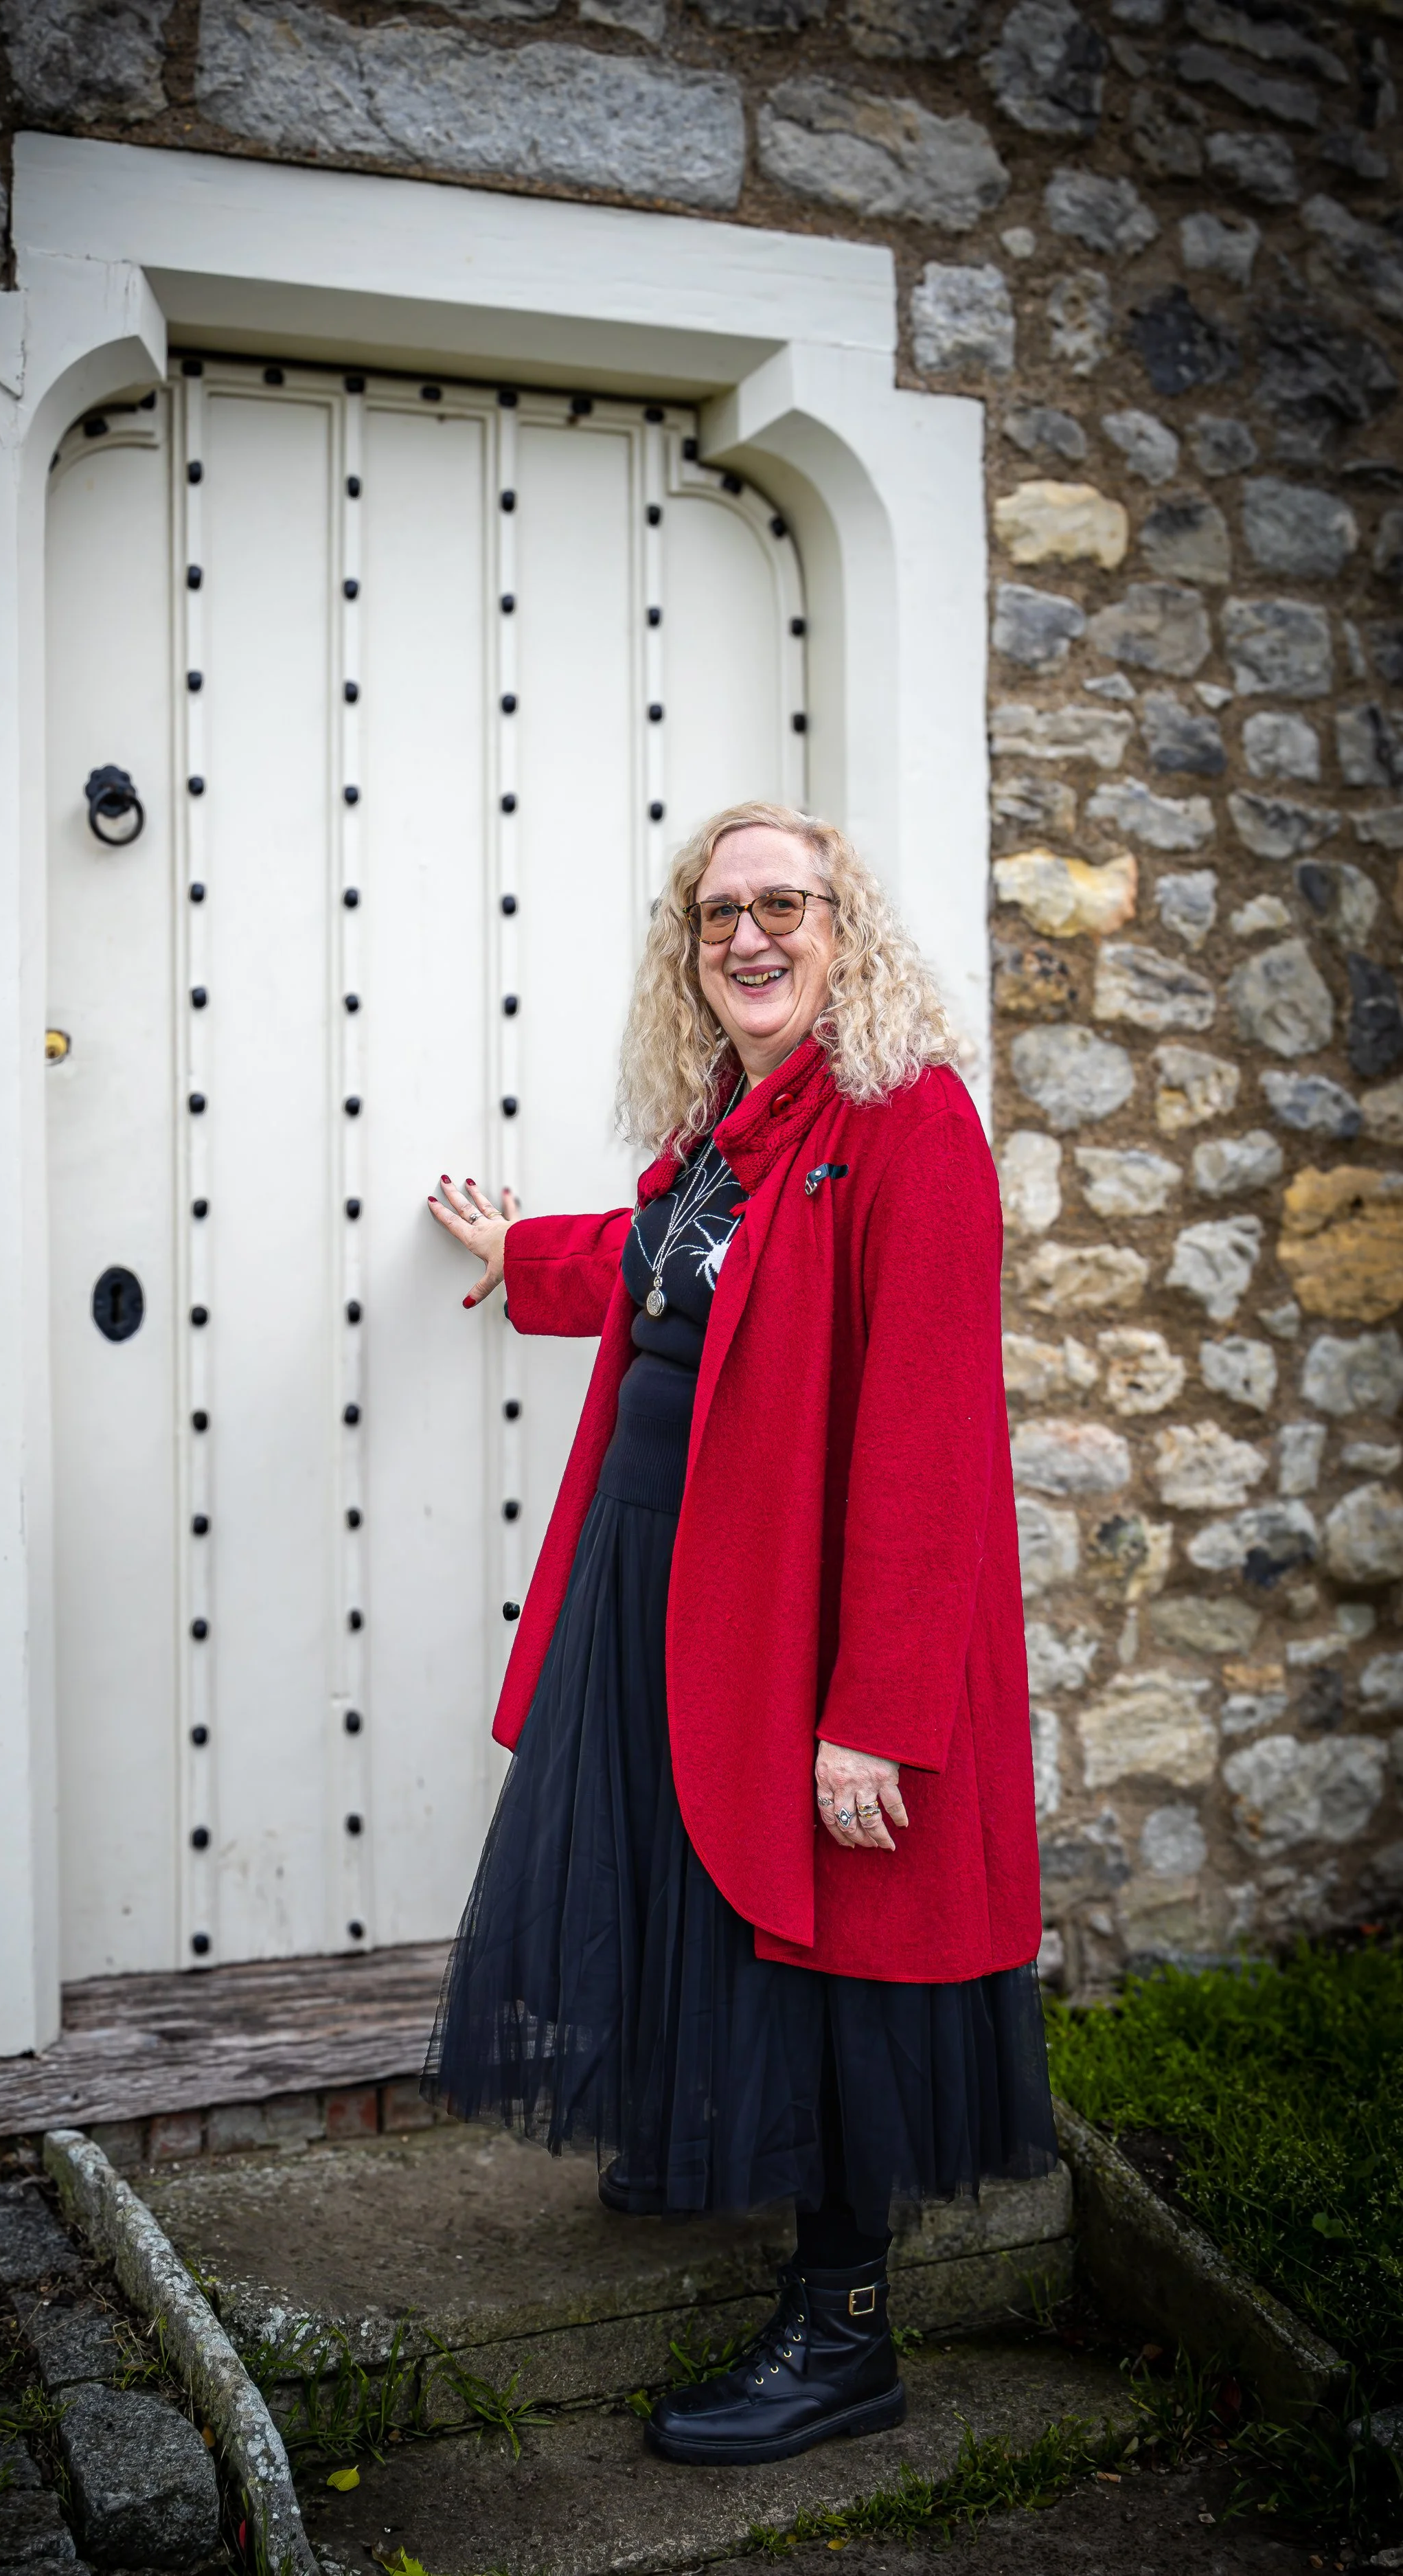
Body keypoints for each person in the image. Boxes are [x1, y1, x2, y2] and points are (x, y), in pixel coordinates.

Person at [423, 800, 1055, 2467]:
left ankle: (841, 2332)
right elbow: (665, 1266)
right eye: (716, 914)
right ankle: (721, 2153)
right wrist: (516, 1251)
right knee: (699, 1901)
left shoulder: (909, 1121)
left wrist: (877, 1712)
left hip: (802, 1612)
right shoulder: (730, 1122)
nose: (747, 936)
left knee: (829, 1944)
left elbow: (926, 1438)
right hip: (670, 1582)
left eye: (784, 905)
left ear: (848, 933)